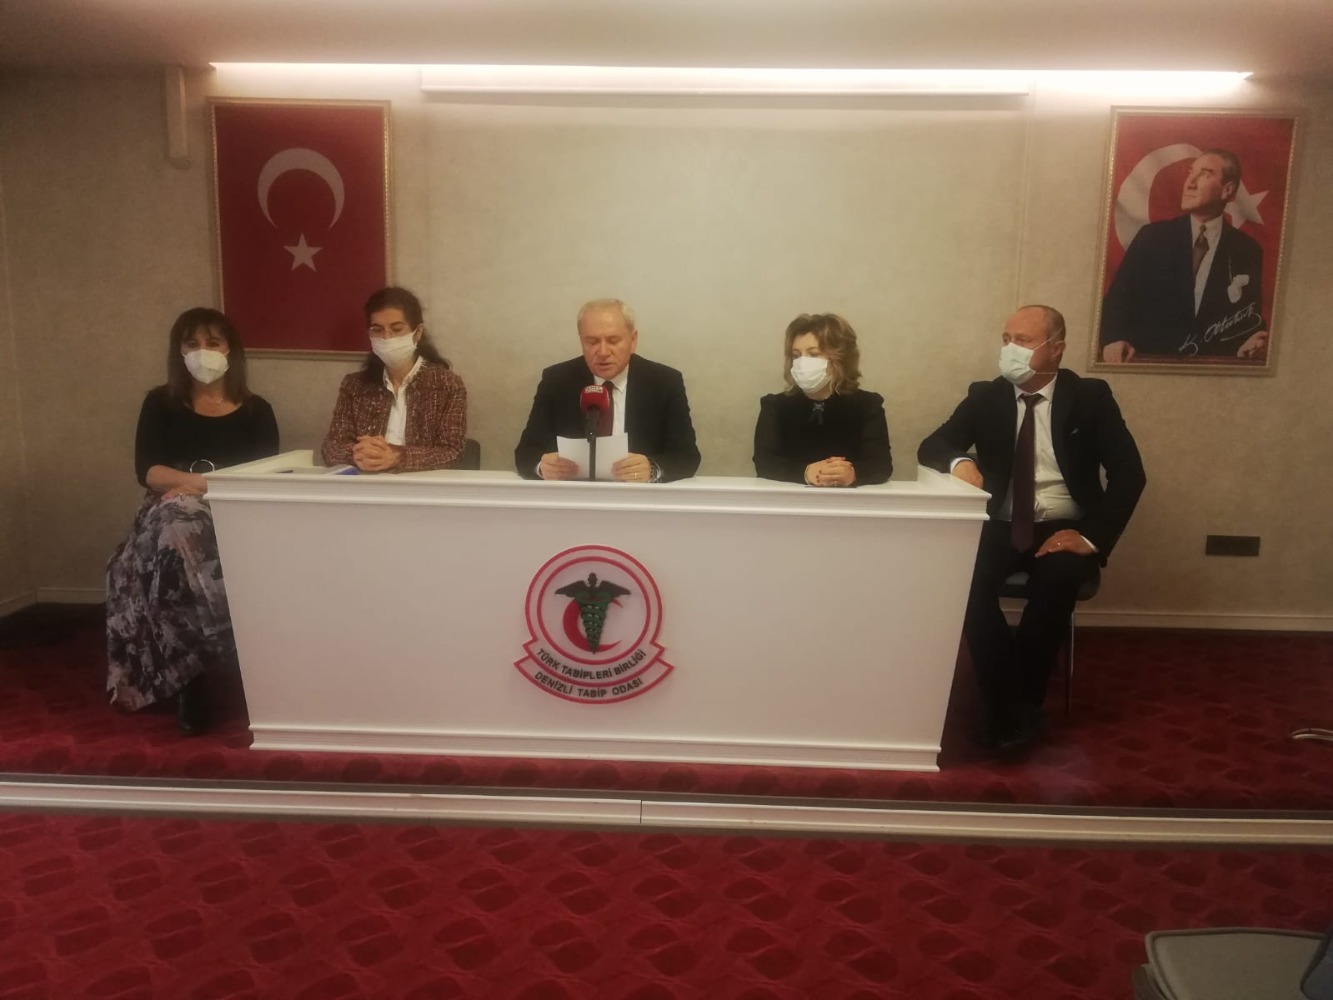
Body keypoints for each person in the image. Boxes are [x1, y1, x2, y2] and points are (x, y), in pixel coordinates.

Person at [919, 305, 1145, 753]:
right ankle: (1016, 708)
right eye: (1006, 339)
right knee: (962, 583)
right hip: (999, 523)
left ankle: (1008, 711)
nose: (1010, 349)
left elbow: (1129, 474)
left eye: (1022, 340)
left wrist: (1091, 538)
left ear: (1056, 349)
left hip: (1064, 525)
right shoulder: (987, 395)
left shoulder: (1090, 397)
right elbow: (933, 445)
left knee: (1056, 583)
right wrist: (959, 461)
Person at [106, 307, 279, 735]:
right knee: (175, 526)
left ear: (230, 350)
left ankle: (194, 670)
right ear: (179, 351)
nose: (203, 351)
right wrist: (197, 486)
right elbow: (149, 471)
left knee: (181, 532)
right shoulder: (160, 403)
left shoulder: (257, 411)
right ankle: (200, 674)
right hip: (165, 509)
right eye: (192, 344)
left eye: (213, 342)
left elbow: (266, 475)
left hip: (233, 512)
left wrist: (200, 488)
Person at [1100, 149, 1268, 362]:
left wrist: (1251, 343)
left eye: (1204, 174)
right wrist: (1114, 339)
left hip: (1212, 373)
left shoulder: (1247, 250)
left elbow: (1248, 319)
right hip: (1150, 365)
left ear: (1227, 190)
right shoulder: (1151, 238)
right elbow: (1116, 303)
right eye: (1190, 173)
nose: (1190, 183)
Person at [514, 299, 700, 483]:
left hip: (639, 497)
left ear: (633, 340)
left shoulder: (664, 382)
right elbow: (526, 453)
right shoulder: (557, 380)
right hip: (573, 496)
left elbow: (687, 456)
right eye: (592, 341)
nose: (603, 352)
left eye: (613, 341)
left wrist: (653, 469)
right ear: (581, 341)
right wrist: (542, 467)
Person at [321, 286, 468, 472]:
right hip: (366, 482)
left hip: (420, 484)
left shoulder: (447, 385)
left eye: (396, 329)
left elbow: (452, 452)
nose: (386, 337)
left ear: (418, 332)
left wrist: (396, 457)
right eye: (377, 330)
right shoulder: (354, 385)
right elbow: (331, 447)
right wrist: (358, 453)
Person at [753, 313, 892, 486]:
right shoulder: (775, 406)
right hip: (791, 500)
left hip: (849, 501)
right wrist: (805, 472)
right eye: (796, 355)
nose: (802, 362)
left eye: (813, 354)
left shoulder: (867, 405)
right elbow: (764, 462)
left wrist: (853, 473)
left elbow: (881, 465)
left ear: (840, 358)